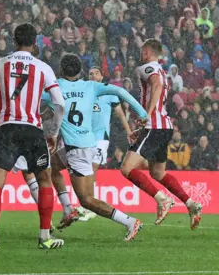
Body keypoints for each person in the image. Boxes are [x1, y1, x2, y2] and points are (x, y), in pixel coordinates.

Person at [0, 23, 65, 251]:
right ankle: (44, 237)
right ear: (35, 43)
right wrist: (53, 132)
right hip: (33, 130)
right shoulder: (43, 68)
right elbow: (59, 104)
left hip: (5, 129)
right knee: (44, 181)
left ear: (14, 41)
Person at [42, 54, 146, 241]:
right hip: (86, 143)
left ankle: (130, 221)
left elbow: (32, 95)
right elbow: (121, 92)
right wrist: (142, 113)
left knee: (87, 200)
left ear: (61, 70)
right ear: (80, 70)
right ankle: (68, 210)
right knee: (52, 168)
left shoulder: (54, 88)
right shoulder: (91, 86)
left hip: (77, 149)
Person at [121, 39, 202, 229]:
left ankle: (162, 200)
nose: (140, 54)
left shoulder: (147, 68)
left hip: (154, 126)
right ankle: (191, 204)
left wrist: (146, 116)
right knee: (157, 172)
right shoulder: (163, 72)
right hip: (164, 126)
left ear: (147, 52)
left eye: (142, 51)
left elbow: (156, 87)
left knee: (126, 169)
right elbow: (157, 92)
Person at [77, 66, 134, 221]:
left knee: (93, 167)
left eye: (96, 73)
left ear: (101, 77)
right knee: (86, 169)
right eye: (90, 73)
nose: (93, 75)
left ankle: (89, 205)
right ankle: (88, 203)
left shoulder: (109, 93)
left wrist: (129, 131)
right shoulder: (84, 93)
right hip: (85, 136)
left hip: (101, 136)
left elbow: (120, 113)